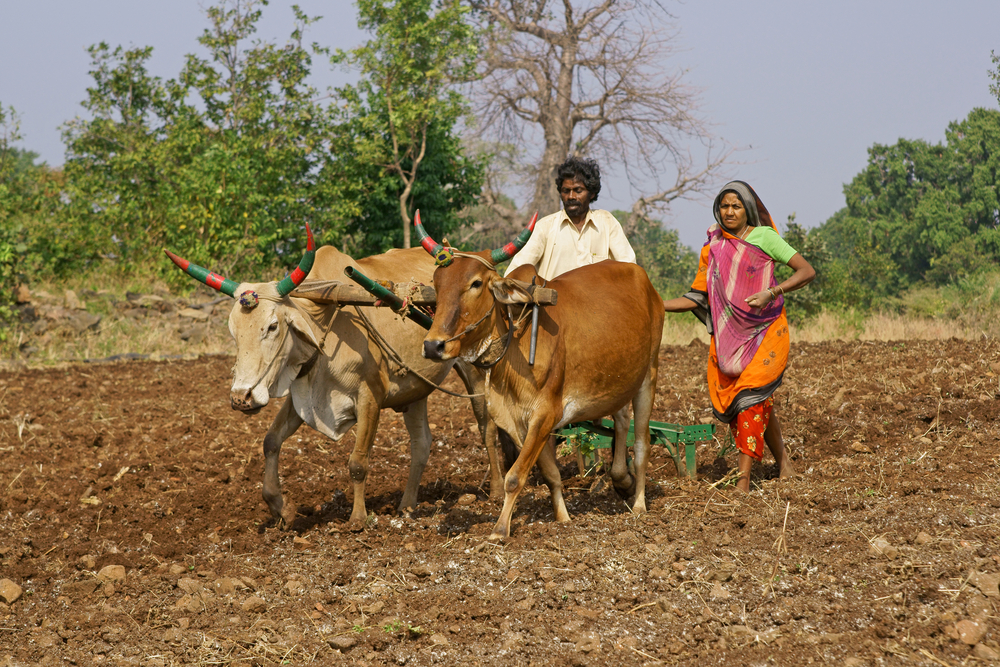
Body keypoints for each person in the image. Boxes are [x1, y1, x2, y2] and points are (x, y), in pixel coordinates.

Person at [663, 181, 815, 492]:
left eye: (736, 206)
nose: (729, 212)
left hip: (767, 331)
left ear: (748, 209)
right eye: (724, 206)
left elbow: (806, 271)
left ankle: (743, 482)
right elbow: (698, 296)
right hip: (729, 339)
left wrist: (772, 291)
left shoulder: (765, 237)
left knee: (748, 400)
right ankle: (784, 464)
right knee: (757, 398)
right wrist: (656, 305)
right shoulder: (713, 245)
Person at [504, 157, 636, 280]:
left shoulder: (607, 222)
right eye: (566, 191)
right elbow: (515, 271)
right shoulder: (545, 227)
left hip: (599, 303)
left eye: (578, 191)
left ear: (592, 194)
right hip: (555, 303)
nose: (571, 196)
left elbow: (629, 269)